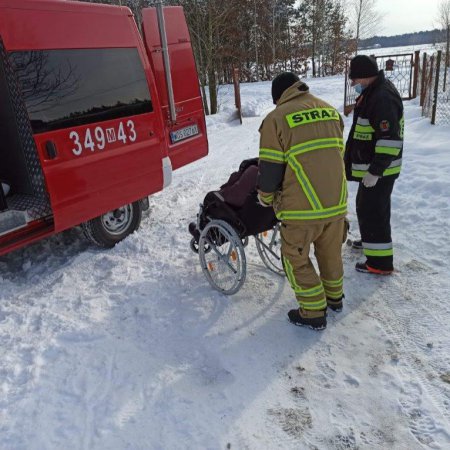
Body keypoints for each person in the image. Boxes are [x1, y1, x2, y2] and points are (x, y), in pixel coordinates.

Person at [257, 72, 347, 331]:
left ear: (278, 96)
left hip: (302, 208)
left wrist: (265, 197)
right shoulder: (330, 111)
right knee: (330, 253)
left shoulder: (277, 118)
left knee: (295, 258)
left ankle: (312, 312)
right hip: (336, 202)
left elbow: (271, 168)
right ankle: (334, 298)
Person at [344, 55, 404, 275]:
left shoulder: (382, 97)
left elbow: (389, 139)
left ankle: (379, 264)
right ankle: (370, 241)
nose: (353, 84)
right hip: (374, 169)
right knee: (367, 207)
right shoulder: (373, 92)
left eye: (355, 79)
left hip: (380, 170)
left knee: (374, 211)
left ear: (365, 76)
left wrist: (375, 171)